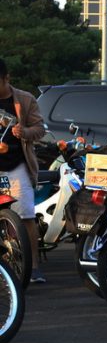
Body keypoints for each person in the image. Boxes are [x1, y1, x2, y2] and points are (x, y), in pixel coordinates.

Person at [0, 58, 46, 282]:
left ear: (6, 78)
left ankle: (33, 266)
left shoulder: (25, 99)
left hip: (17, 165)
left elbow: (40, 129)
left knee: (26, 215)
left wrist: (24, 132)